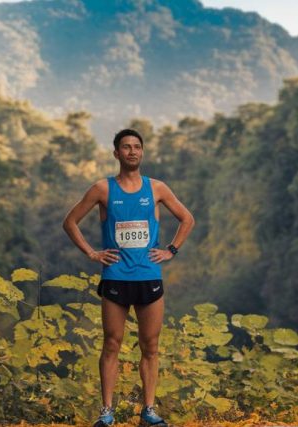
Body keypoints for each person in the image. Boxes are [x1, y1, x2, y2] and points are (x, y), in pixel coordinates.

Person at [62, 128, 195, 427]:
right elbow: (70, 222)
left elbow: (187, 219)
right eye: (126, 147)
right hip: (116, 276)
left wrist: (171, 250)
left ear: (142, 152)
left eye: (137, 147)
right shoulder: (102, 189)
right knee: (112, 343)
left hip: (149, 276)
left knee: (150, 346)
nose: (132, 151)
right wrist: (92, 254)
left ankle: (148, 410)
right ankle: (106, 411)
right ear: (116, 153)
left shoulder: (157, 188)